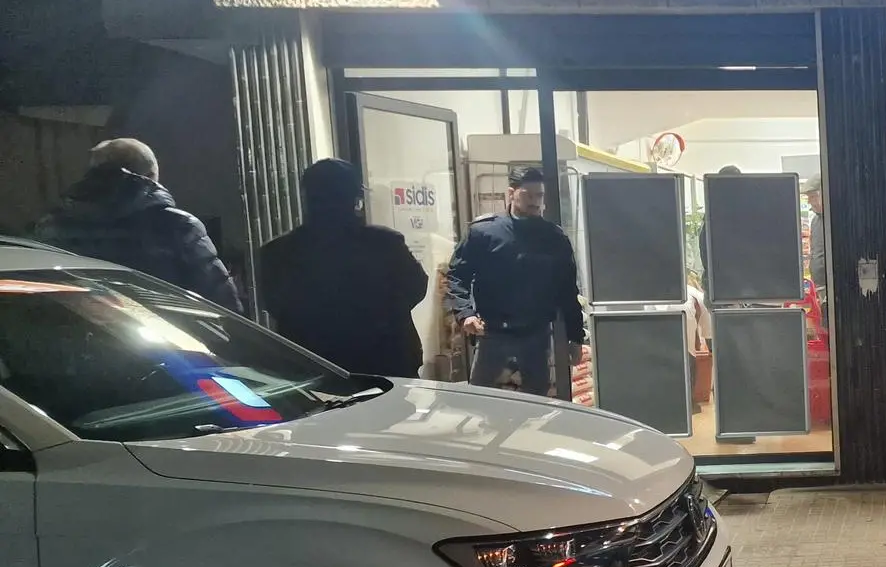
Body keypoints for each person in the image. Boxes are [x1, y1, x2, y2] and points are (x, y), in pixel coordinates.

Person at [256, 159, 429, 376]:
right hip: (386, 360)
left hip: (311, 366)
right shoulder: (384, 243)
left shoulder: (277, 251)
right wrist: (382, 316)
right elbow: (417, 287)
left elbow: (275, 305)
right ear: (354, 198)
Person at [36, 137, 242, 311]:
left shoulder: (51, 225)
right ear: (151, 177)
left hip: (79, 346)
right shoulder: (178, 225)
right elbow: (223, 303)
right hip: (168, 347)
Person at [444, 166, 584, 396]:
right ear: (511, 193)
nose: (535, 202)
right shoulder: (484, 232)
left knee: (536, 401)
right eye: (527, 195)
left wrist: (575, 337)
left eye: (539, 195)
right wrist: (465, 314)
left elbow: (567, 291)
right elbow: (457, 276)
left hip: (536, 334)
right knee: (482, 398)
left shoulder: (553, 238)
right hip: (492, 333)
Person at [802, 172, 828, 301]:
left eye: (813, 196)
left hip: (830, 285)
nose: (810, 201)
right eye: (809, 198)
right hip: (818, 284)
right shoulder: (815, 221)